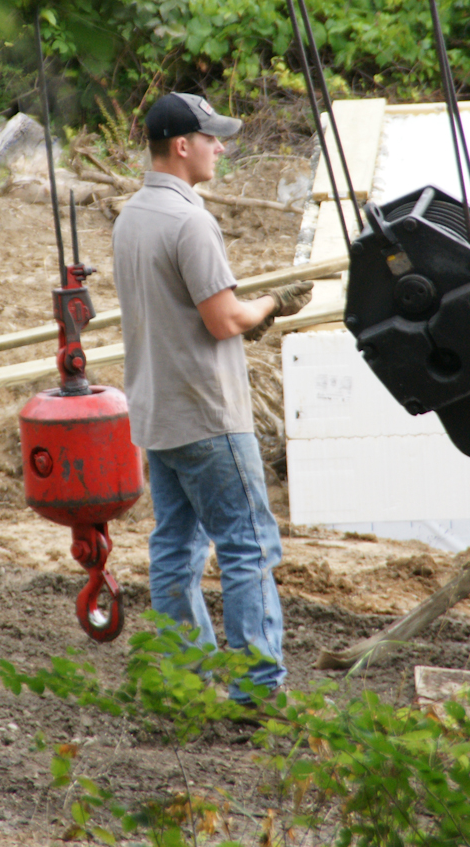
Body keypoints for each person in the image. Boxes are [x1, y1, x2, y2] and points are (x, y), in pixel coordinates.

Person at [112, 91, 313, 701]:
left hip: (157, 413)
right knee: (249, 546)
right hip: (208, 414)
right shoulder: (190, 221)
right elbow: (225, 320)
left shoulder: (132, 216)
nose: (220, 148)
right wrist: (275, 304)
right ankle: (257, 690)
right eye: (212, 138)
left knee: (174, 548)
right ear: (182, 145)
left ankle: (187, 682)